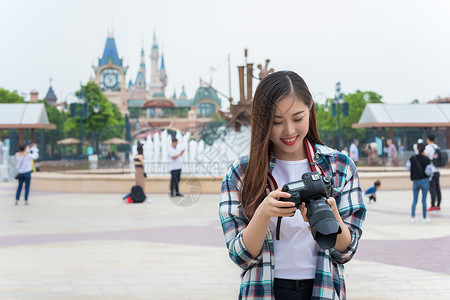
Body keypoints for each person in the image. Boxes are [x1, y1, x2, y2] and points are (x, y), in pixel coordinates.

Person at [219, 71, 366, 299]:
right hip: (264, 290)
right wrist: (264, 212)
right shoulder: (241, 173)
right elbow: (240, 256)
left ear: (310, 110)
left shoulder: (339, 166)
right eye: (277, 122)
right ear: (262, 122)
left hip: (322, 288)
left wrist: (331, 215)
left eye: (298, 118)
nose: (289, 131)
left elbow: (346, 251)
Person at [405, 142, 432, 223]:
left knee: (414, 200)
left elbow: (407, 167)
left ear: (417, 149)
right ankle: (424, 218)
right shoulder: (427, 160)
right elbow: (428, 172)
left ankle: (412, 217)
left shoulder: (412, 158)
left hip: (415, 181)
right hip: (424, 181)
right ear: (424, 149)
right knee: (424, 200)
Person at [424, 134, 441, 211]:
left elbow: (425, 157)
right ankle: (438, 204)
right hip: (437, 170)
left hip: (431, 171)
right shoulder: (437, 147)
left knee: (432, 189)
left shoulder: (428, 148)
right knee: (437, 188)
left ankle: (433, 205)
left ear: (427, 139)